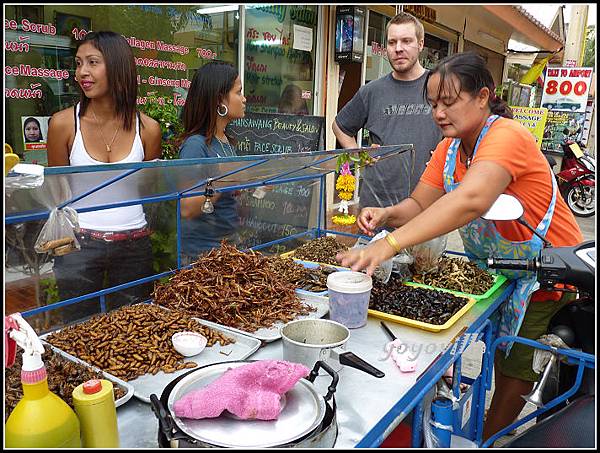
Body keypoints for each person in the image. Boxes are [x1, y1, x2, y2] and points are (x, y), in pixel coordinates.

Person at [336, 52, 583, 443]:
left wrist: (389, 245)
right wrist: (385, 215)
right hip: (501, 272)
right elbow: (419, 205)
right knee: (500, 356)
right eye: (433, 104)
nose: (438, 113)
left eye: (449, 102)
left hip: (548, 274)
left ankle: (487, 439)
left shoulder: (507, 136)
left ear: (482, 96)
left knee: (515, 367)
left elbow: (472, 199)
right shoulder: (450, 150)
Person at [47, 31, 162, 324]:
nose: (82, 72)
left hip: (134, 244)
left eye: (93, 62)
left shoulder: (148, 129)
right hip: (79, 245)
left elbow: (150, 192)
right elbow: (57, 195)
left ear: (117, 66)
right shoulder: (63, 124)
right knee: (77, 328)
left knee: (135, 327)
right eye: (78, 63)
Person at [333, 11, 442, 209]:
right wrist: (359, 153)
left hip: (429, 207)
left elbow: (460, 132)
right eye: (392, 43)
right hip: (377, 204)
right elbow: (340, 126)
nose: (398, 49)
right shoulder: (372, 91)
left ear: (421, 43)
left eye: (406, 41)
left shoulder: (439, 85)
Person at [177, 61, 246, 264]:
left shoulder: (226, 141)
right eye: (238, 92)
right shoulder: (194, 146)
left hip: (227, 248)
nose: (244, 99)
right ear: (219, 100)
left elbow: (223, 192)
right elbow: (187, 207)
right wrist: (226, 179)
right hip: (202, 256)